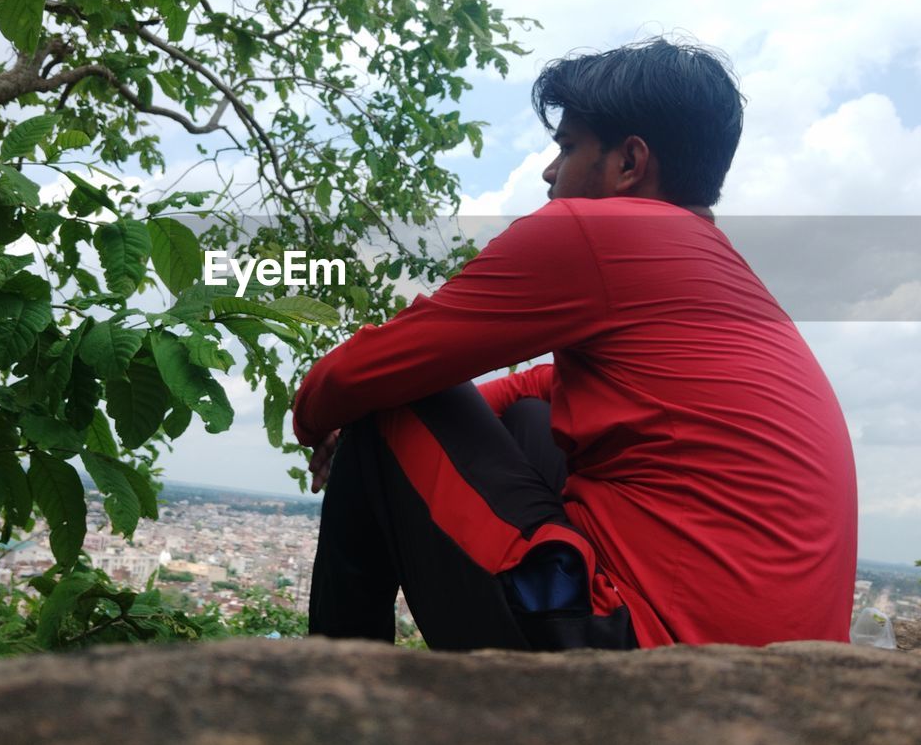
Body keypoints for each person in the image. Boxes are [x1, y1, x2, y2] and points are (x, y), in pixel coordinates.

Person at [292, 37, 858, 651]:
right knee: (533, 417)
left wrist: (324, 423)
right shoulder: (713, 269)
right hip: (767, 664)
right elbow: (545, 385)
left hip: (655, 660)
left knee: (391, 400)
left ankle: (333, 693)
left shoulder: (593, 232)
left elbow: (360, 374)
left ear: (628, 163)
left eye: (566, 147)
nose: (549, 170)